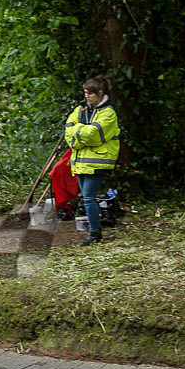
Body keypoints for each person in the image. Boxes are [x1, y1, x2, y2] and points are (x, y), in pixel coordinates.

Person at [64, 76, 120, 245]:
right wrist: (82, 132)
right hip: (80, 162)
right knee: (87, 197)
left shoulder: (108, 114)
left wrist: (77, 130)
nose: (86, 96)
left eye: (90, 93)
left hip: (98, 162)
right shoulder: (80, 110)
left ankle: (95, 234)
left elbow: (94, 134)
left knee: (88, 198)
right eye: (85, 93)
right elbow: (68, 130)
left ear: (100, 93)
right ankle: (94, 232)